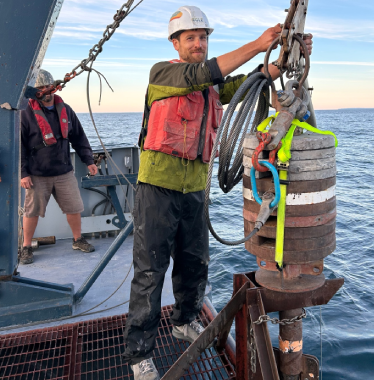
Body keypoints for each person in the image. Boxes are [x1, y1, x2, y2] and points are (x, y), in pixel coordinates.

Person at [123, 6, 313, 379]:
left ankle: (185, 320)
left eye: (203, 37)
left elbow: (253, 80)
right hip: (158, 186)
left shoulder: (212, 87)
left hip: (195, 187)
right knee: (150, 270)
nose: (198, 43)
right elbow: (205, 72)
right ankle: (138, 354)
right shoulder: (164, 74)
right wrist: (258, 43)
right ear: (176, 44)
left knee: (195, 262)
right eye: (190, 37)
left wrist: (289, 54)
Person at [19, 69, 98, 265]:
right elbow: (18, 145)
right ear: (34, 92)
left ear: (54, 87)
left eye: (47, 86)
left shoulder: (66, 110)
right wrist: (23, 173)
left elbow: (79, 137)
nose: (45, 91)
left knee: (74, 207)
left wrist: (89, 161)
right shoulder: (25, 113)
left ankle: (77, 240)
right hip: (37, 173)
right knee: (31, 211)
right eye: (40, 88)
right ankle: (26, 246)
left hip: (64, 171)